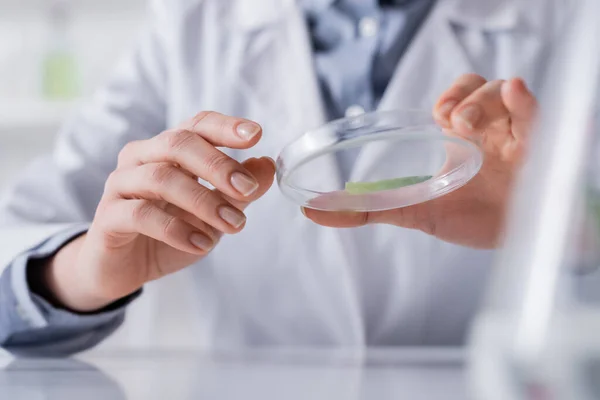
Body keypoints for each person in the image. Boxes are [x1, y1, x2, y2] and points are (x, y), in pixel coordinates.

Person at [0, 0, 565, 356]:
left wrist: (561, 231)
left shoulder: (565, 22)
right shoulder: (192, 23)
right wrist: (83, 272)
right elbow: (18, 247)